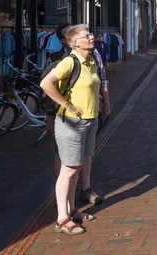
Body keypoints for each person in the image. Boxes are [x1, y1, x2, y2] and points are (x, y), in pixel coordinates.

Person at [40, 25, 101, 235]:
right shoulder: (70, 61)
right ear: (75, 42)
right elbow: (46, 83)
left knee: (77, 169)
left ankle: (72, 209)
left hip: (90, 122)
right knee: (68, 170)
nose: (91, 37)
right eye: (87, 36)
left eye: (90, 34)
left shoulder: (91, 61)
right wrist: (66, 105)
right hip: (71, 124)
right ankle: (61, 219)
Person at [47, 23, 110, 207]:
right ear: (68, 40)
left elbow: (102, 78)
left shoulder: (92, 56)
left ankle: (82, 192)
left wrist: (105, 103)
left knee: (84, 157)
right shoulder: (60, 58)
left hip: (89, 116)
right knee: (65, 162)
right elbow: (48, 87)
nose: (90, 37)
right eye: (85, 35)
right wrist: (53, 113)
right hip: (69, 120)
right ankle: (64, 203)